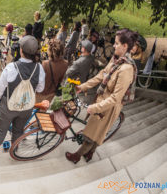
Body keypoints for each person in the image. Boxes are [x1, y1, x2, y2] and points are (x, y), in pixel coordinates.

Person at [66, 29, 138, 164]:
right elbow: (102, 75)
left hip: (108, 107)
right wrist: (83, 87)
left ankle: (77, 156)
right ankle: (90, 153)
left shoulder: (126, 69)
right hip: (102, 100)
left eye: (116, 43)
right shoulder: (116, 59)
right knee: (95, 131)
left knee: (92, 134)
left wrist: (96, 107)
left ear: (125, 46)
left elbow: (116, 98)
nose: (114, 46)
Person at [0, 35, 45, 153]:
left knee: (1, 130)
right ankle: (14, 148)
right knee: (18, 130)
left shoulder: (11, 67)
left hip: (8, 106)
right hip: (27, 107)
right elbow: (40, 89)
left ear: (21, 50)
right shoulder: (39, 68)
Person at [36, 39, 68, 103]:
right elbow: (60, 80)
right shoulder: (66, 63)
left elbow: (39, 80)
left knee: (36, 110)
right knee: (44, 110)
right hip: (52, 93)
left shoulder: (45, 63)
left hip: (40, 93)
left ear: (49, 50)